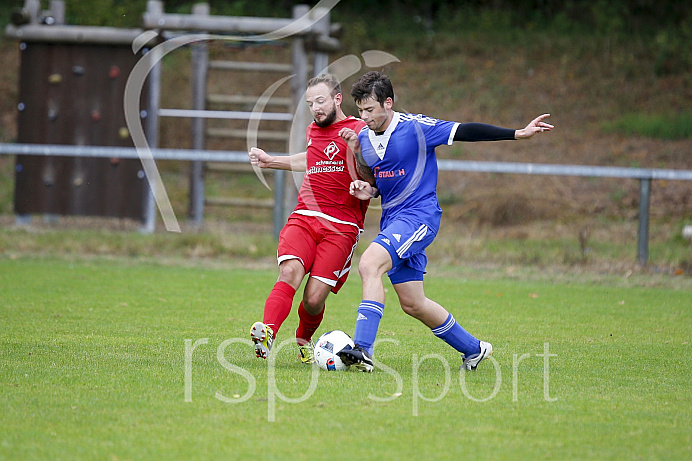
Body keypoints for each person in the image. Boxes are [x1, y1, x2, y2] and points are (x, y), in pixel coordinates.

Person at [337, 71, 553, 372]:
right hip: (392, 221)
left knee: (369, 264)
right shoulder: (364, 138)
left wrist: (517, 133)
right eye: (360, 110)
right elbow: (380, 178)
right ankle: (474, 349)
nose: (364, 116)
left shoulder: (416, 128)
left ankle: (362, 350)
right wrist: (368, 189)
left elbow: (466, 130)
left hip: (419, 217)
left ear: (388, 103)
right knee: (413, 303)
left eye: (369, 110)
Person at [248, 73, 374, 364]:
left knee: (314, 299)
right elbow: (312, 158)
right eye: (310, 103)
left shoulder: (359, 129)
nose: (315, 108)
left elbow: (372, 172)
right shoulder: (313, 130)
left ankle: (304, 339)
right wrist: (272, 161)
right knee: (289, 273)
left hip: (342, 227)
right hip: (304, 217)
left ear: (337, 99)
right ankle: (267, 332)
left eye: (320, 101)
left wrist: (357, 152)